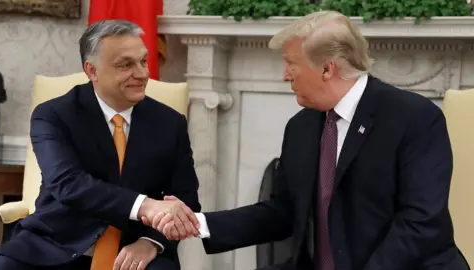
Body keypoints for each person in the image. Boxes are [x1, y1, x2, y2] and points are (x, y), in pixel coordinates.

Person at [150, 11, 471, 270]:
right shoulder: (302, 127)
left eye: (291, 63)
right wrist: (199, 223)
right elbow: (283, 212)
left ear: (327, 69)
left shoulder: (413, 117)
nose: (285, 75)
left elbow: (420, 223)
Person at [0, 20, 201, 270]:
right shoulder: (54, 114)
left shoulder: (170, 122)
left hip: (134, 248)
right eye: (126, 64)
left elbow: (186, 197)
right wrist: (146, 205)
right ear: (92, 71)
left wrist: (150, 242)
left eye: (143, 61)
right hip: (56, 244)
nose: (142, 73)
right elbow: (68, 184)